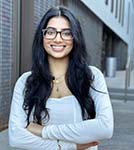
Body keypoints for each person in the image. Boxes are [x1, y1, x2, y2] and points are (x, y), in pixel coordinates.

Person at [9, 6, 113, 150]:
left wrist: (43, 131)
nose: (58, 39)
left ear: (75, 37)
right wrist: (70, 146)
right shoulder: (26, 82)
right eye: (50, 32)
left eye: (66, 33)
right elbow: (16, 137)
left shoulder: (92, 77)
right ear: (42, 36)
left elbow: (105, 128)